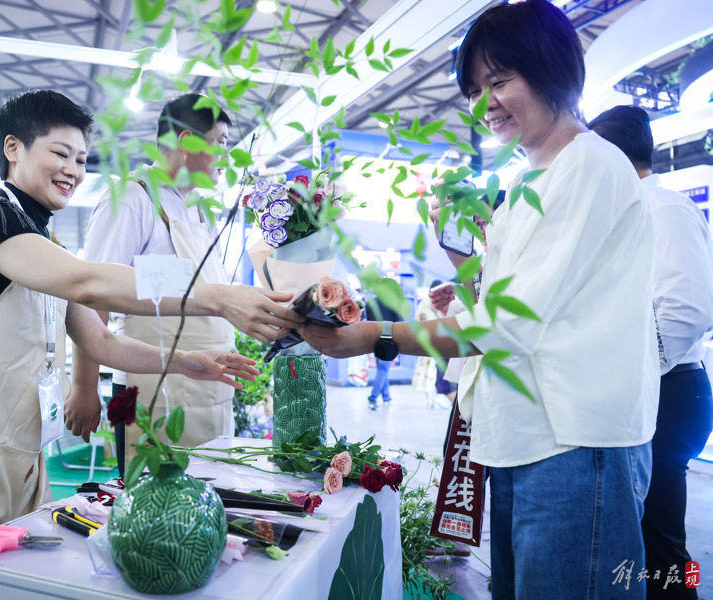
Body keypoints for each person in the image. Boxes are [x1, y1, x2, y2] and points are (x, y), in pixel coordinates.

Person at [0, 89, 303, 600]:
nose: (73, 170)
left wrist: (187, 362)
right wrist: (217, 297)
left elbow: (101, 340)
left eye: (82, 160)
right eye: (60, 154)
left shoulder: (49, 245)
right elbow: (88, 284)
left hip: (14, 457)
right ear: (12, 148)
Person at [300, 2, 658, 598]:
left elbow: (508, 324)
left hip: (574, 442)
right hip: (523, 437)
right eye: (473, 90)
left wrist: (375, 336)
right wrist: (463, 268)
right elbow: (507, 301)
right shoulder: (529, 183)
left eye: (499, 81)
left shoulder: (589, 166)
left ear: (553, 72)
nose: (485, 104)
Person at [68, 93, 236, 470]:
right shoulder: (132, 198)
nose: (227, 157)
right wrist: (84, 388)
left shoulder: (197, 210)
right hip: (148, 391)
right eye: (221, 143)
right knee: (152, 497)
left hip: (208, 389)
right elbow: (89, 297)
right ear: (187, 142)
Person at [589, 105, 713, 600]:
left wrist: (634, 371)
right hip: (650, 388)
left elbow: (687, 307)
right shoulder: (629, 209)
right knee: (639, 539)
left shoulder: (663, 207)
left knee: (663, 545)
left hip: (668, 391)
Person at [364, 295, 402, 410]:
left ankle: (386, 397)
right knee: (383, 369)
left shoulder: (370, 303)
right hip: (389, 341)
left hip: (375, 340)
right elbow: (399, 324)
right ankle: (373, 398)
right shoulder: (393, 302)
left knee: (382, 369)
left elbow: (368, 323)